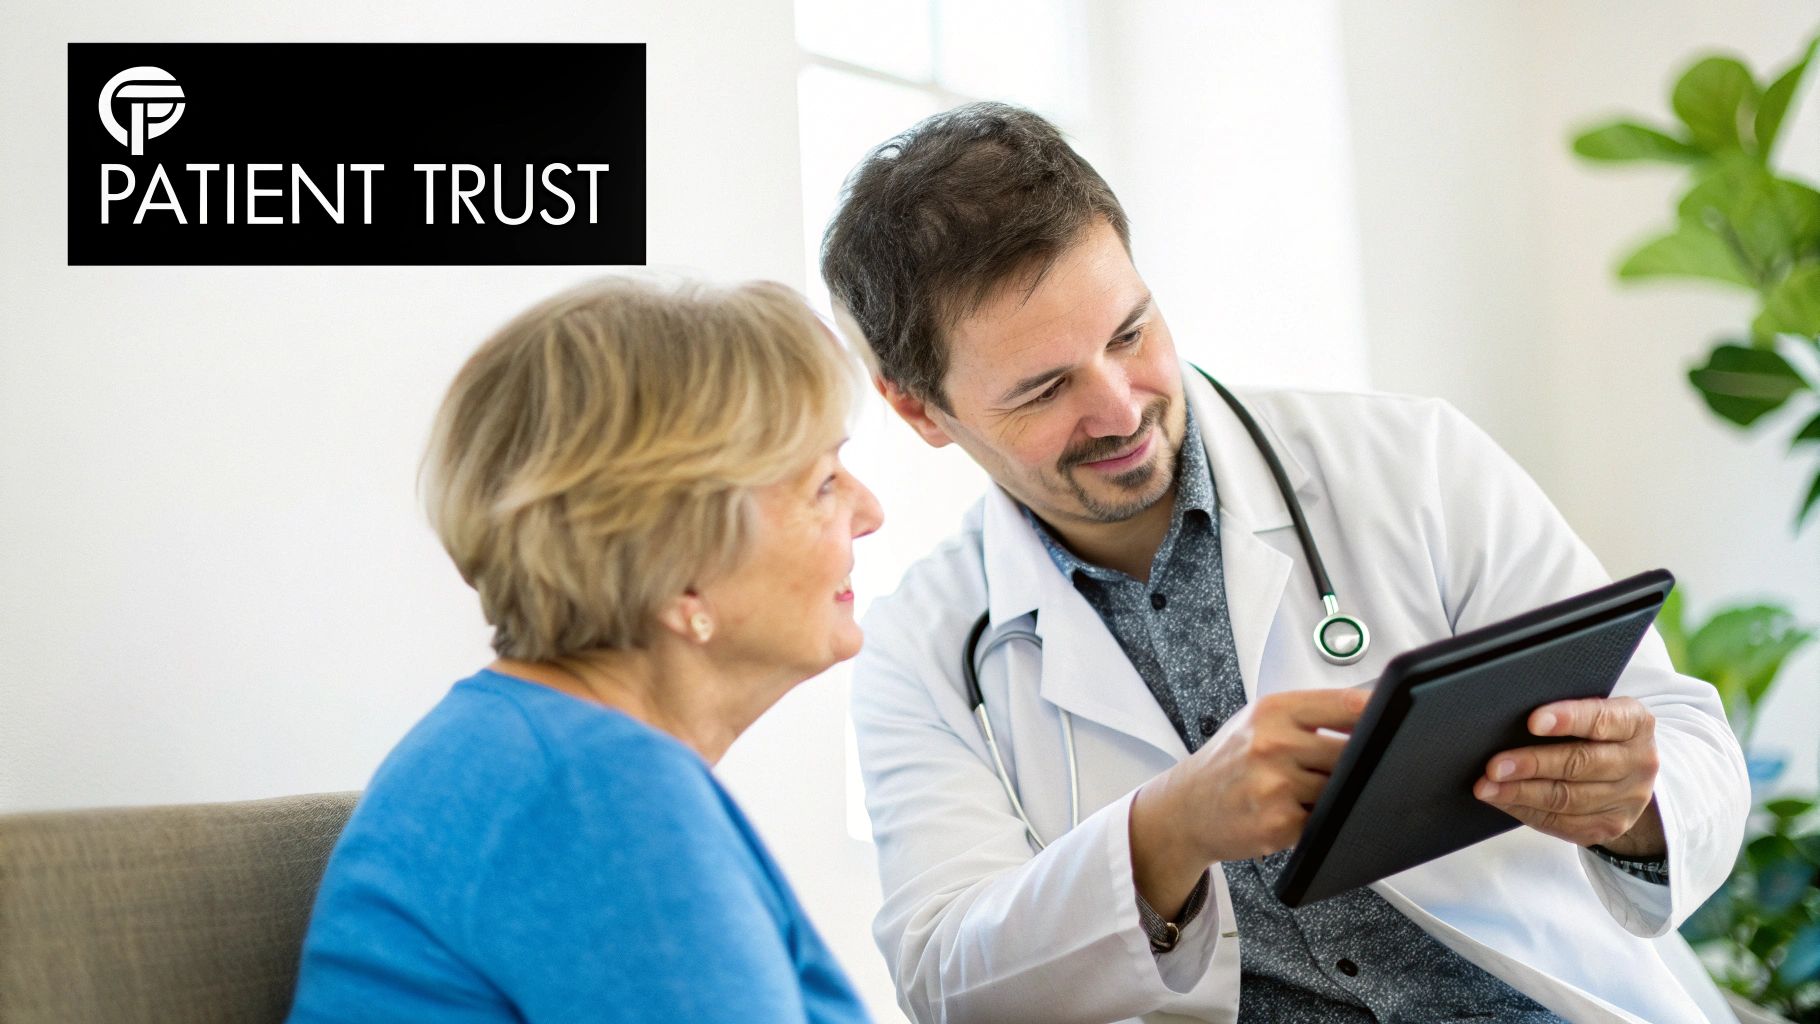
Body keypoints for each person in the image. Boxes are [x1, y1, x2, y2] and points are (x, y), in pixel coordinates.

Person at [824, 102, 1747, 1024]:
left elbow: (1684, 738)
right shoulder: (924, 646)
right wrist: (1167, 831)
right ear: (917, 411)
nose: (1120, 409)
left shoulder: (1409, 462)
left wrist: (1631, 803)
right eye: (1045, 388)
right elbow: (946, 980)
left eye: (1130, 334)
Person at [286, 276, 882, 1023]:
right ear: (680, 566)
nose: (871, 513)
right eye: (824, 484)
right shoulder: (595, 793)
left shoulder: (536, 755)